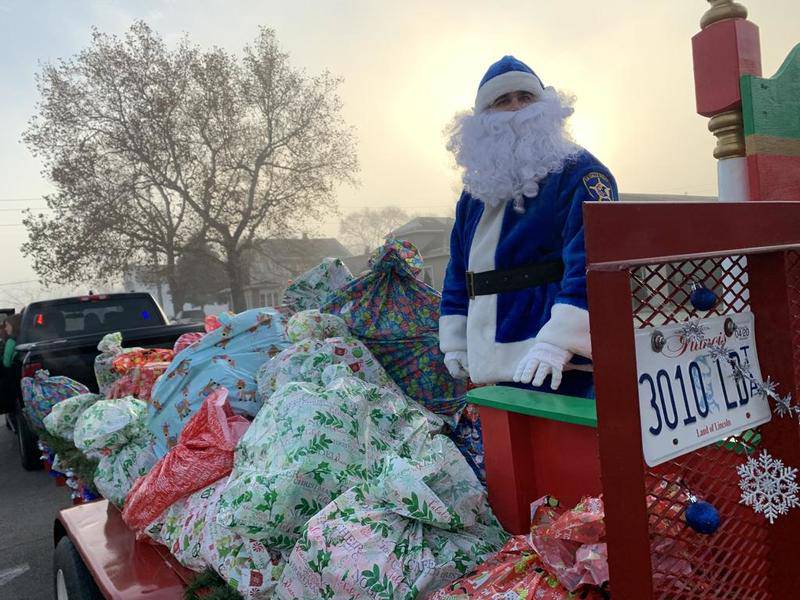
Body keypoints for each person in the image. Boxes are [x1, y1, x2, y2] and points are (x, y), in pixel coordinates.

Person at [439, 55, 618, 398]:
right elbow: (458, 269)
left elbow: (595, 259)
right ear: (484, 119)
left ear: (545, 105)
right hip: (491, 363)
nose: (517, 109)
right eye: (503, 101)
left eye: (526, 98)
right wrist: (456, 341)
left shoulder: (579, 171)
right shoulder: (475, 191)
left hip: (556, 361)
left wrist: (560, 341)